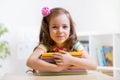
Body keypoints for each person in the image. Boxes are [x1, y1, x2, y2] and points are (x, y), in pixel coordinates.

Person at [26, 7, 97, 72]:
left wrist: (71, 60)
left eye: (65, 27)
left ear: (70, 29)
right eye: (54, 27)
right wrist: (56, 68)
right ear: (48, 29)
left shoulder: (74, 44)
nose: (60, 31)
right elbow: (30, 62)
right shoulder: (46, 45)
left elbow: (93, 65)